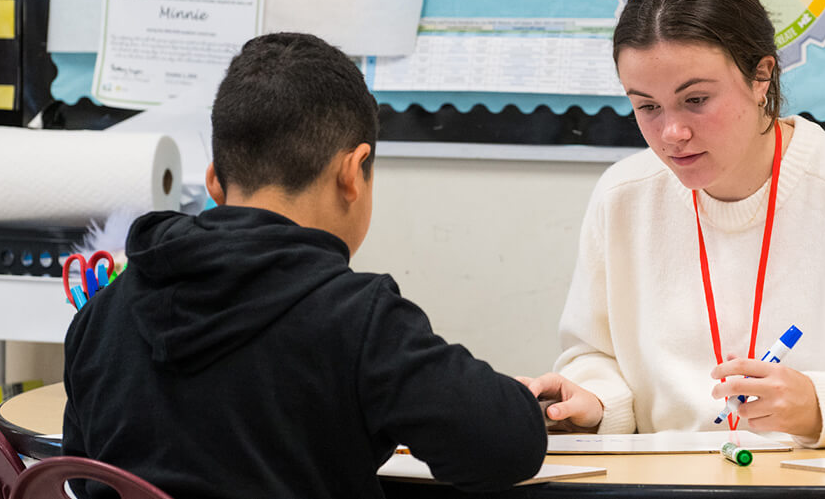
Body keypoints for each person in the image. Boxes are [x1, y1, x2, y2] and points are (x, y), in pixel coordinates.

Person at [521, 0, 825, 447]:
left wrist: (823, 405)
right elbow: (595, 354)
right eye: (647, 107)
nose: (672, 134)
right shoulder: (623, 196)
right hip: (663, 485)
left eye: (696, 99)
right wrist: (594, 403)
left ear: (761, 76)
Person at [63, 32, 546, 499]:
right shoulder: (359, 319)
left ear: (215, 182)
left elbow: (84, 477)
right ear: (352, 172)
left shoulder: (102, 315)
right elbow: (507, 448)